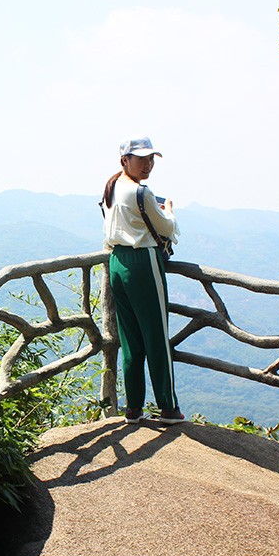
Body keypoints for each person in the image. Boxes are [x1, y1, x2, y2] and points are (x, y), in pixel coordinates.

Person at [101, 136, 184, 425]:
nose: (148, 164)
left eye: (151, 159)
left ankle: (133, 407)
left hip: (116, 263)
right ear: (125, 160)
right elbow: (166, 228)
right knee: (157, 337)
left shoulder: (112, 186)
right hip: (142, 264)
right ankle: (168, 408)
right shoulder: (141, 193)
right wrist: (170, 210)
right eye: (141, 159)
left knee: (131, 339)